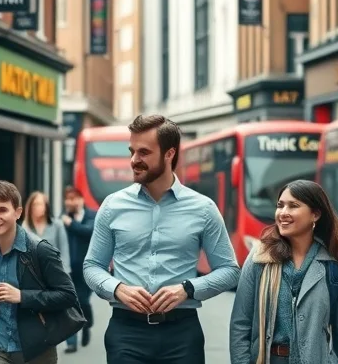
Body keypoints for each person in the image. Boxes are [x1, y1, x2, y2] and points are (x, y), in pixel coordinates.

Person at [83, 114, 241, 364]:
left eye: (144, 152)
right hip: (126, 333)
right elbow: (92, 266)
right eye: (132, 151)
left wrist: (187, 289)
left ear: (169, 154)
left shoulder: (203, 208)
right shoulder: (113, 206)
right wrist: (118, 289)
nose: (134, 160)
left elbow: (230, 271)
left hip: (181, 335)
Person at [229, 180, 338, 364]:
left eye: (293, 206)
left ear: (315, 214)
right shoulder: (260, 257)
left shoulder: (336, 264)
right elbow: (240, 324)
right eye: (280, 206)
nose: (283, 213)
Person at [0, 181, 79, 364]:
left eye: (2, 210)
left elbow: (68, 296)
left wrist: (22, 296)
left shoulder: (39, 250)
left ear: (18, 213)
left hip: (37, 347)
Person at [60, 186, 96, 353]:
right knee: (69, 304)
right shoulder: (62, 219)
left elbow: (89, 232)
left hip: (86, 268)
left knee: (82, 301)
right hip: (67, 269)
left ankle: (87, 324)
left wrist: (71, 224)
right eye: (68, 199)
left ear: (81, 200)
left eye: (74, 198)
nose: (71, 202)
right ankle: (71, 342)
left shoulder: (91, 216)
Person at [22, 191, 70, 275]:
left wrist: (65, 274)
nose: (37, 207)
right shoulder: (25, 228)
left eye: (40, 204)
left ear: (46, 206)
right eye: (34, 204)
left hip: (55, 273)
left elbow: (64, 252)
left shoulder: (57, 225)